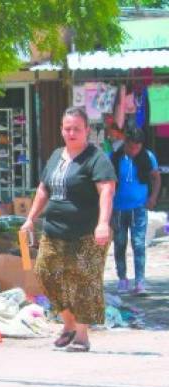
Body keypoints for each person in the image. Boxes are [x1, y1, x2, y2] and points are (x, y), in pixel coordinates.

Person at [21, 107, 116, 352]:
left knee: (85, 280)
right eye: (67, 128)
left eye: (76, 128)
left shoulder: (96, 158)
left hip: (87, 232)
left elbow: (106, 190)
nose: (71, 133)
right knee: (44, 272)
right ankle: (68, 323)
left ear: (87, 131)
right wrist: (31, 218)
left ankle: (82, 336)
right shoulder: (55, 156)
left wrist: (103, 223)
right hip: (54, 231)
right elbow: (44, 189)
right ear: (61, 130)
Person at [111, 128, 161, 295]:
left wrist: (153, 197)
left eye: (137, 148)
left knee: (138, 244)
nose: (134, 151)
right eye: (131, 147)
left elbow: (156, 177)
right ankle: (122, 278)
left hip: (139, 208)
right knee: (119, 243)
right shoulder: (115, 157)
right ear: (126, 142)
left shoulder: (148, 157)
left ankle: (140, 281)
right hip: (118, 208)